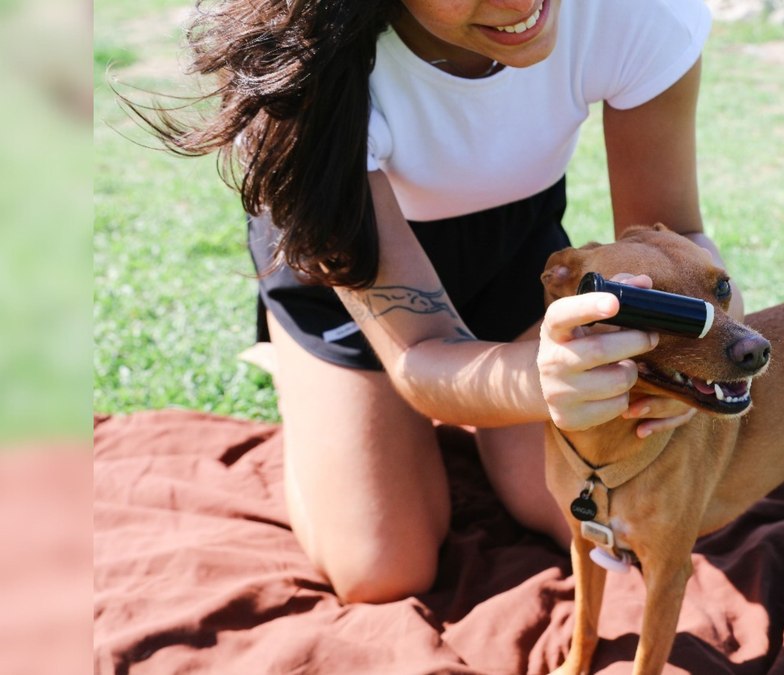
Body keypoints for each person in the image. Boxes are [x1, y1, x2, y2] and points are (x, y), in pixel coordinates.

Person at [141, 0, 744, 603]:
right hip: (343, 263)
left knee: (589, 510)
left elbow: (674, 241)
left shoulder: (640, 13)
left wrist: (697, 349)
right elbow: (423, 351)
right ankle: (305, 373)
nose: (521, 5)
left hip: (514, 248)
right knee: (383, 569)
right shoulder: (294, 73)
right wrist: (544, 381)